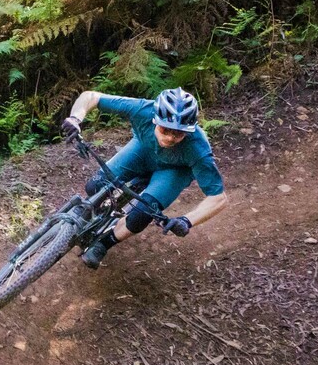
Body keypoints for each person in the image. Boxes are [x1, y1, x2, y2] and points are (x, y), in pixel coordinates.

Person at [59, 86, 228, 268]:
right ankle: (91, 216)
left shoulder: (199, 149)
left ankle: (104, 243)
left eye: (178, 133)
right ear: (155, 120)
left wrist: (188, 220)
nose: (170, 137)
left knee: (141, 215)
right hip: (143, 150)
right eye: (165, 129)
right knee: (95, 186)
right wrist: (76, 118)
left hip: (174, 170)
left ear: (188, 131)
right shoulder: (143, 109)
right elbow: (92, 97)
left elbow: (218, 198)